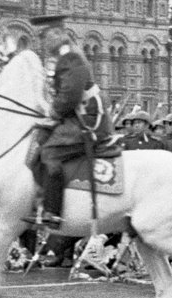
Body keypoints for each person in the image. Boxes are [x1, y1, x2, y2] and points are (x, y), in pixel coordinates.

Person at [33, 14, 114, 229]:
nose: (42, 42)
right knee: (38, 139)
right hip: (75, 116)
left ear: (59, 34)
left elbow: (70, 94)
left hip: (86, 120)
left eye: (45, 37)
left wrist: (53, 114)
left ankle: (53, 211)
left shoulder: (70, 57)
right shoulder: (61, 57)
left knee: (50, 152)